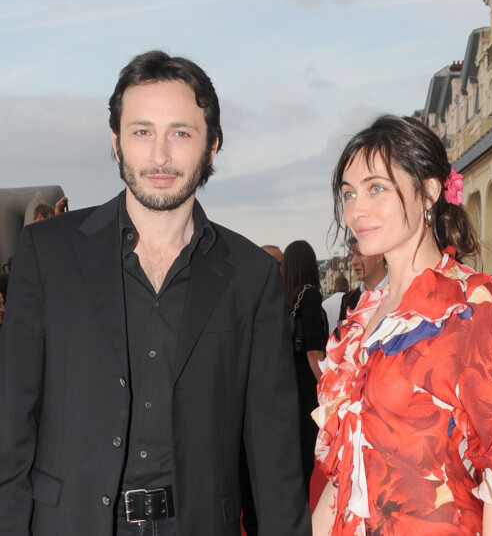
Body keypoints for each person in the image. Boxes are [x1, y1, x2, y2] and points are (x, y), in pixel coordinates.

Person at [0, 51, 310, 536]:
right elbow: (11, 425)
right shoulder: (47, 254)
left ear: (212, 147)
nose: (160, 155)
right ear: (116, 143)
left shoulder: (251, 275)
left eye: (181, 133)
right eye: (142, 131)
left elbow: (275, 454)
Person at [311, 115, 492, 536]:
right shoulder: (361, 316)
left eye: (376, 188)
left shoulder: (468, 302)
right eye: (348, 193)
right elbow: (345, 471)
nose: (356, 210)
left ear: (428, 192)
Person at [282, 239, 328, 499]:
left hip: (286, 386)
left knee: (292, 464)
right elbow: (314, 351)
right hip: (306, 388)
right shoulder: (310, 294)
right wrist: (327, 389)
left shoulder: (283, 296)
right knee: (306, 459)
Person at [339, 237, 388, 321]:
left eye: (360, 255)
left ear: (379, 256)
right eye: (352, 256)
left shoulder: (400, 292)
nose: (354, 262)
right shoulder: (348, 300)